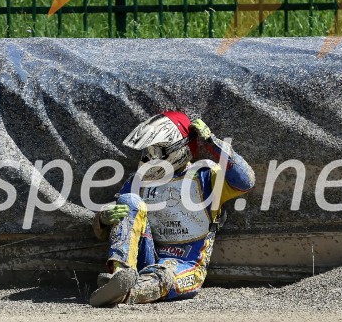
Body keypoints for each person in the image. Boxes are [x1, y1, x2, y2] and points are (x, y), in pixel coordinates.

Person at [89, 111, 255, 307]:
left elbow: (245, 181)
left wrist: (212, 142)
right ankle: (119, 275)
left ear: (178, 148)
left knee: (163, 276)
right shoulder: (139, 181)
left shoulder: (205, 175)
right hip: (146, 257)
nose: (150, 158)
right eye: (147, 152)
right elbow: (109, 229)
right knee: (128, 200)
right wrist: (102, 219)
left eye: (157, 152)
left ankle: (125, 294)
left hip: (187, 265)